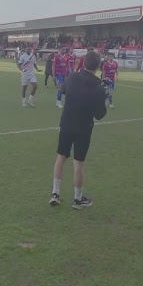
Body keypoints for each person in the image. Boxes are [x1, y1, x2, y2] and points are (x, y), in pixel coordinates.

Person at [50, 49, 107, 209]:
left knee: (61, 157)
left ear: (83, 62)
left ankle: (55, 193)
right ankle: (77, 199)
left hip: (67, 124)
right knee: (78, 164)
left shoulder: (71, 77)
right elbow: (100, 115)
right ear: (97, 66)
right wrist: (104, 94)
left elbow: (64, 90)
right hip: (83, 128)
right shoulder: (98, 86)